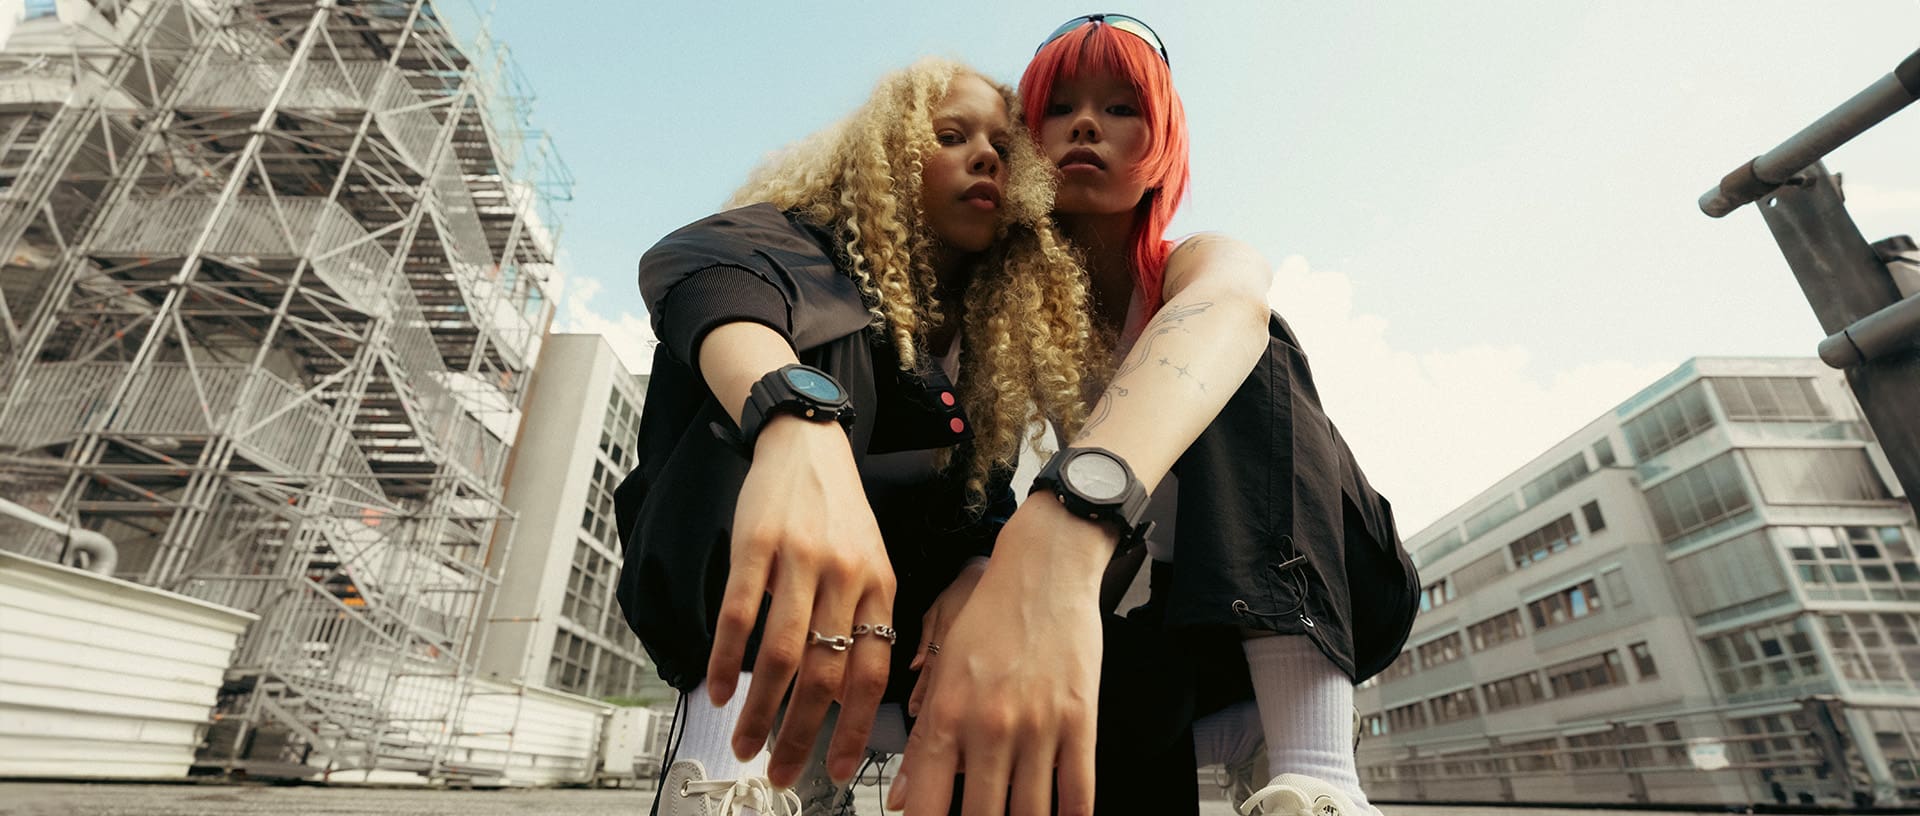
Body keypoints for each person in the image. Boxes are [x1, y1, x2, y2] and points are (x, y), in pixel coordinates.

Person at [891, 15, 1421, 816]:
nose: (1085, 124)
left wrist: (1074, 509)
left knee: (1247, 344)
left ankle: (1315, 767)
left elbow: (1233, 298)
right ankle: (1237, 735)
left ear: (1161, 145)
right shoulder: (991, 319)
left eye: (1122, 107)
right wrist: (977, 567)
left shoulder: (1196, 265)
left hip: (1334, 594)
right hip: (1150, 643)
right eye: (1058, 106)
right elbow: (969, 485)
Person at [613, 58, 1096, 815]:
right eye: (950, 135)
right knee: (769, 378)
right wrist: (791, 419)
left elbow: (991, 496)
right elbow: (703, 270)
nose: (986, 157)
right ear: (888, 156)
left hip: (904, 632)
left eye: (1004, 147)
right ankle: (724, 770)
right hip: (757, 598)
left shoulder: (990, 341)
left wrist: (979, 568)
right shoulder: (798, 247)